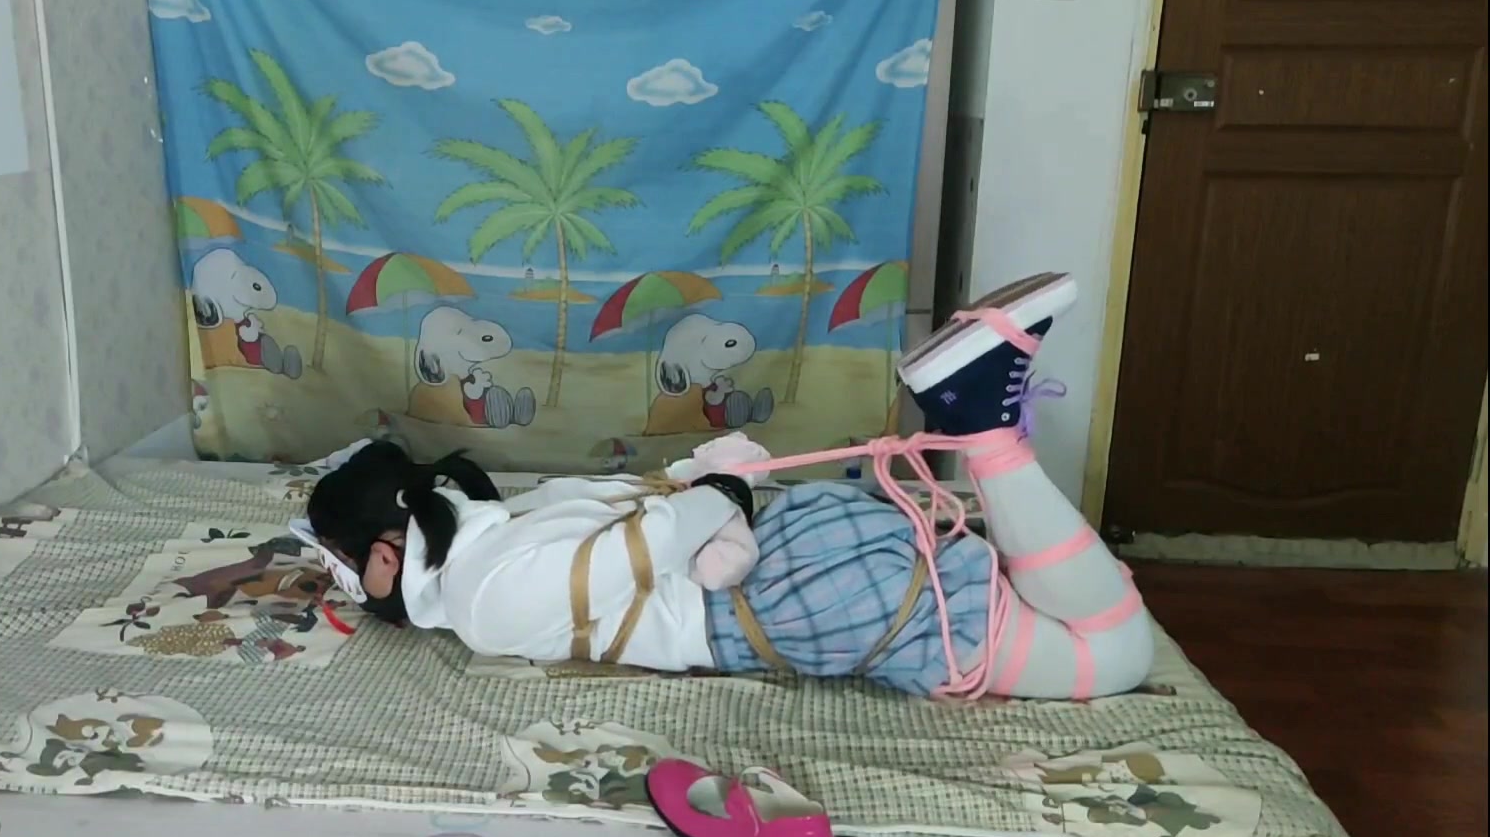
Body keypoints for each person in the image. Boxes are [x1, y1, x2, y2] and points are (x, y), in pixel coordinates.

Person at [301, 273, 1156, 701]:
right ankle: (983, 417)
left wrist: (726, 492)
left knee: (1116, 656)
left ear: (386, 555)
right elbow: (643, 511)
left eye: (341, 566)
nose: (345, 585)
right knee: (1086, 609)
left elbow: (648, 545)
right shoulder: (503, 518)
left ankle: (983, 428)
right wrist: (721, 488)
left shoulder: (481, 601)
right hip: (796, 549)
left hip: (781, 597)